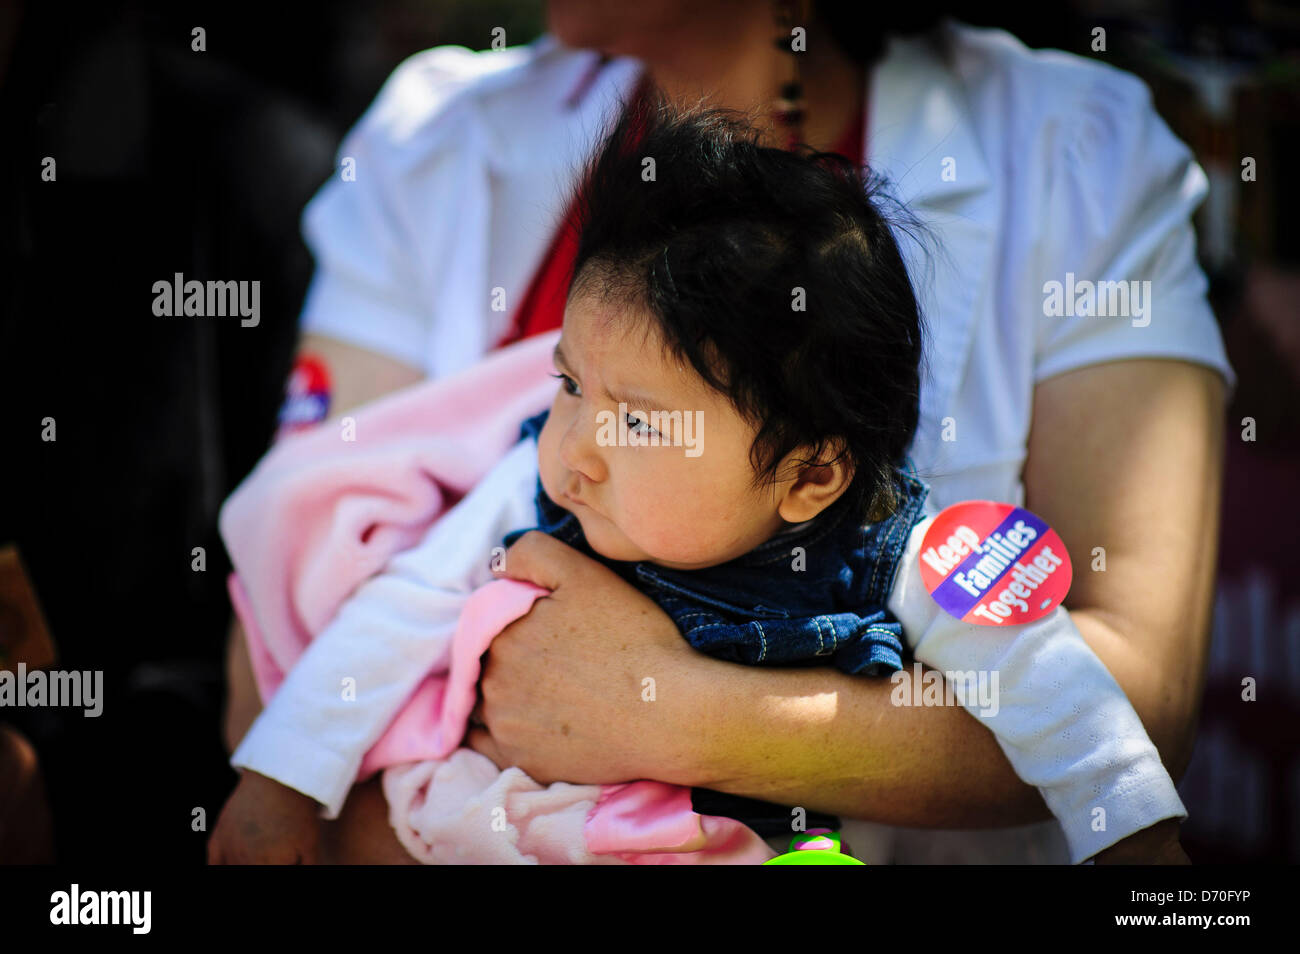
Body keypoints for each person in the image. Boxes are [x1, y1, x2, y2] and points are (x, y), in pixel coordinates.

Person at [221, 3, 1234, 864]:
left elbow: (1083, 684)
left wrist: (662, 711)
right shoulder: (433, 139)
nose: (572, 448)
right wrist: (283, 779)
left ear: (813, 475)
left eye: (640, 418)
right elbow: (318, 624)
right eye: (568, 384)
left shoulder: (1073, 155)